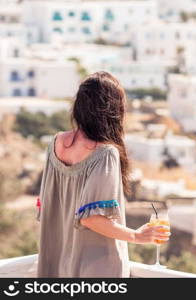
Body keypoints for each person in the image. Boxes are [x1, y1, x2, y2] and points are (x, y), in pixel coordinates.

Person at [37, 72, 170, 277]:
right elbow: (91, 219)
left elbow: (45, 207)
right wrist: (137, 236)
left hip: (57, 266)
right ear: (113, 110)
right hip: (96, 270)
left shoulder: (56, 144)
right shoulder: (106, 153)